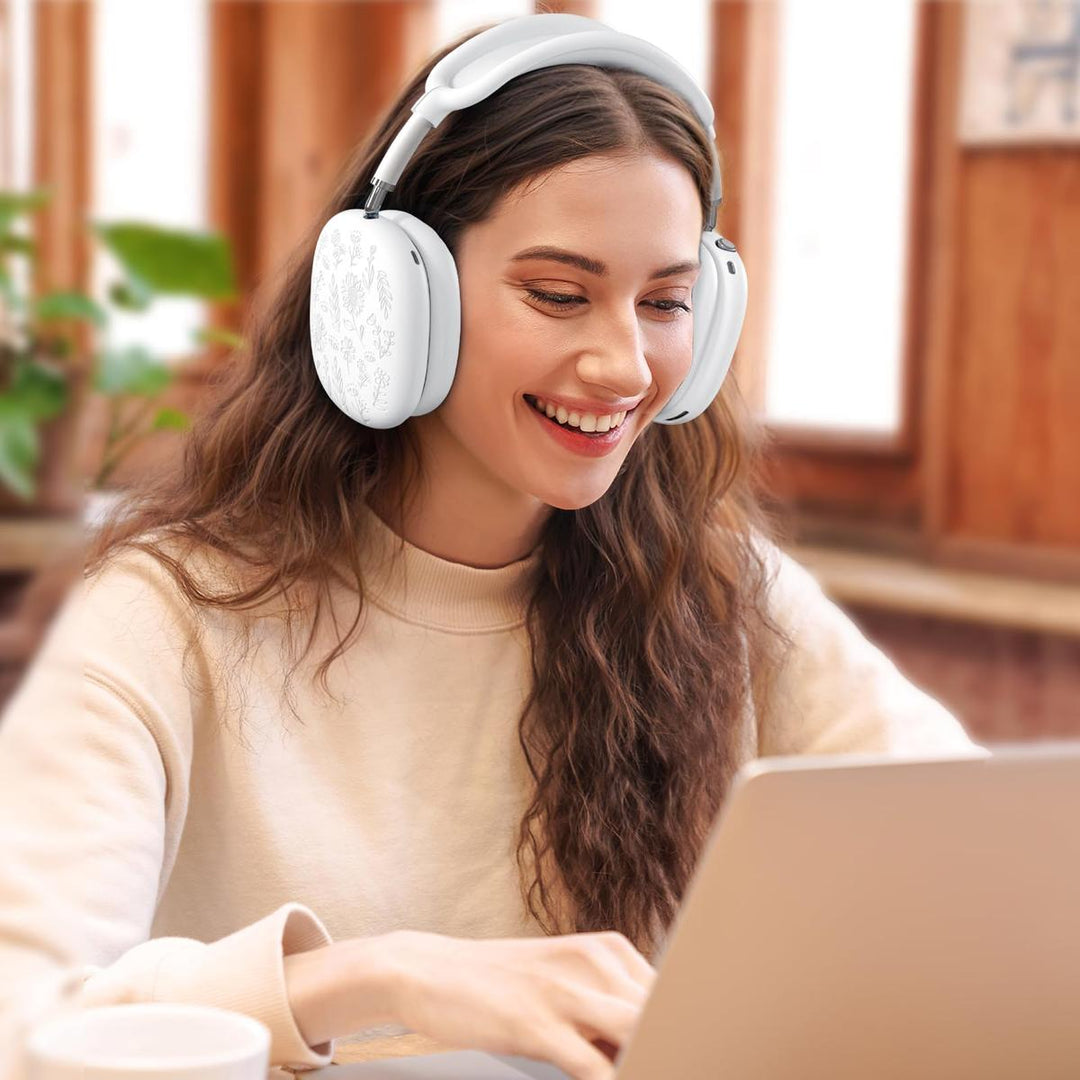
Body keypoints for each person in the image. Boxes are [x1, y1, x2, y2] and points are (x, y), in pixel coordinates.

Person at [0, 19, 980, 1080]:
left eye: (665, 303)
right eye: (558, 294)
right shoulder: (165, 615)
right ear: (389, 299)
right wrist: (381, 979)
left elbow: (986, 856)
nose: (622, 365)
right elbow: (23, 1022)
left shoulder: (717, 591)